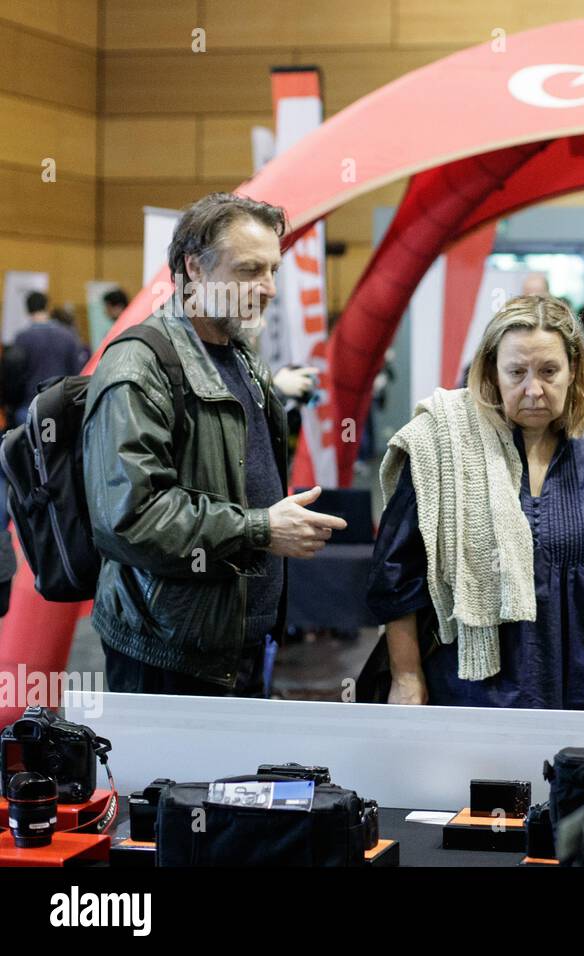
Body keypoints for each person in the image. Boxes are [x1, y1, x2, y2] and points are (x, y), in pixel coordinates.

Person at [83, 192, 347, 697]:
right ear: (194, 270)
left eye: (273, 270)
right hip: (168, 651)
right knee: (170, 779)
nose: (268, 288)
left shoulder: (239, 356)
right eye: (249, 270)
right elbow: (130, 517)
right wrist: (260, 528)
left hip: (241, 643)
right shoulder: (139, 366)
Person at [368, 295, 584, 710]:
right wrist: (406, 678)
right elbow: (397, 574)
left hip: (577, 687)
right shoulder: (443, 448)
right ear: (492, 374)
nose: (533, 390)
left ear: (573, 371)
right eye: (516, 372)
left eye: (549, 371)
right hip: (470, 691)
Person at [11, 292, 86, 424]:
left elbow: (14, 376)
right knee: (53, 442)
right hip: (60, 407)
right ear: (47, 307)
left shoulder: (22, 338)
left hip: (29, 406)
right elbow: (77, 373)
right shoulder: (68, 336)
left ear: (27, 309)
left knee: (32, 443)